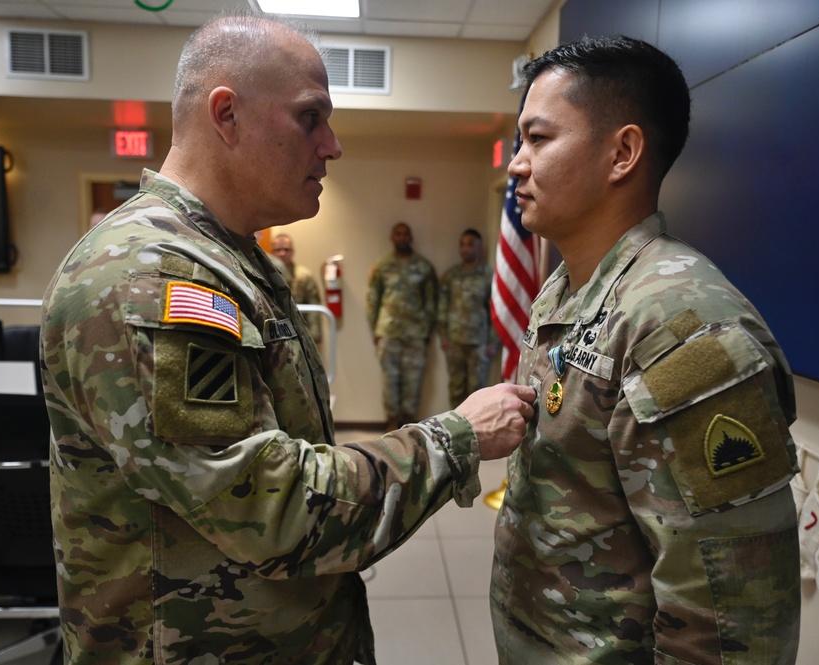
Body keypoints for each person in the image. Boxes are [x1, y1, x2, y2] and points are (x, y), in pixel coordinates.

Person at [40, 13, 535, 665]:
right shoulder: (153, 275)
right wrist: (457, 436)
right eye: (310, 117)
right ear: (227, 116)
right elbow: (275, 509)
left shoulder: (229, 257)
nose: (332, 145)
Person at [490, 35, 801, 664]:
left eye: (538, 139)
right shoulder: (567, 288)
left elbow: (731, 617)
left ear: (622, 153)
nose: (516, 165)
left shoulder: (682, 326)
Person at [366, 221, 438, 430]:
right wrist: (375, 329)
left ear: (411, 238)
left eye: (406, 234)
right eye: (398, 233)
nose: (402, 237)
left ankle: (408, 423)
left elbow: (431, 301)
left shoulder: (424, 267)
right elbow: (373, 299)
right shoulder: (382, 266)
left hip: (416, 334)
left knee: (413, 381)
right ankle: (392, 421)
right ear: (392, 237)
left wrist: (426, 330)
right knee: (390, 380)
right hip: (388, 332)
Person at [436, 228, 499, 408]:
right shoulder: (451, 275)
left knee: (477, 390)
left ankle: (475, 425)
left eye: (470, 244)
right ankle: (454, 424)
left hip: (479, 342)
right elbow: (442, 306)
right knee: (456, 388)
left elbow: (495, 309)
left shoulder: (487, 275)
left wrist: (493, 342)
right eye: (462, 245)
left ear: (479, 247)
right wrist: (443, 336)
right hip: (454, 340)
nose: (465, 249)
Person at [272, 232, 324, 343]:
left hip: (300, 329)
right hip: (275, 331)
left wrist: (314, 335)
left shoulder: (304, 275)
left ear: (292, 252)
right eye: (278, 250)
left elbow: (313, 304)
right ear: (272, 252)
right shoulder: (264, 275)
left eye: (286, 249)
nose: (282, 253)